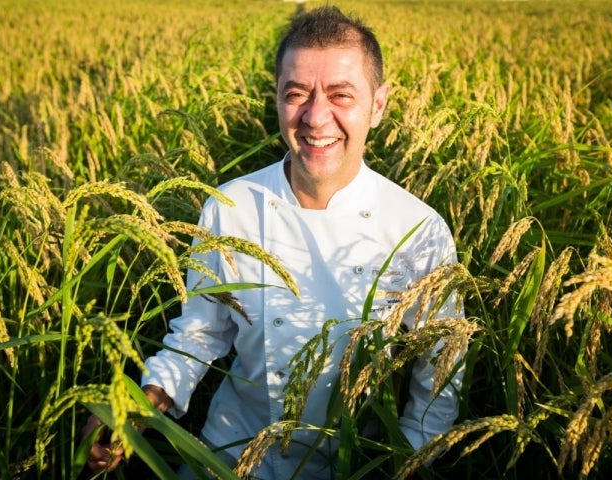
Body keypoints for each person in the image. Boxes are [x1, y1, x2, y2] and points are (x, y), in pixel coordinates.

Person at [84, 5, 463, 478]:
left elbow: (441, 370)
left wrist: (405, 462)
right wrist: (134, 408)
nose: (315, 116)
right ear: (277, 99)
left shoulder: (417, 229)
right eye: (297, 93)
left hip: (354, 463)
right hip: (229, 454)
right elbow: (200, 334)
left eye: (341, 95)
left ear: (379, 104)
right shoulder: (230, 206)